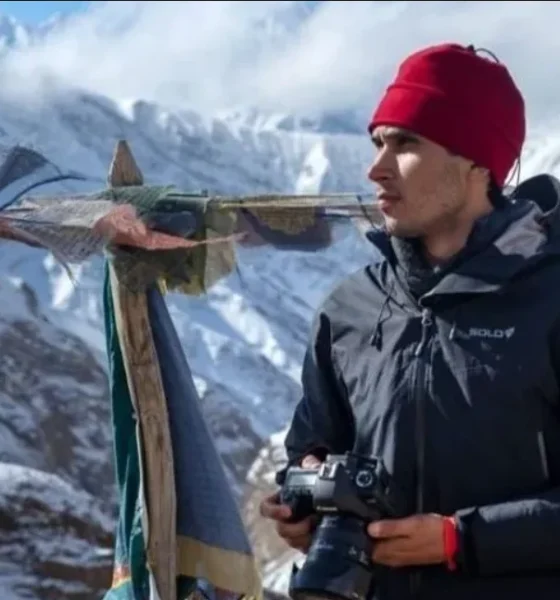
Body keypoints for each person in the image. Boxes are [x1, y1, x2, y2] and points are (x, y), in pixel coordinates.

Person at [259, 42, 560, 599]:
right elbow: (310, 448)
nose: (376, 168)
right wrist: (302, 502)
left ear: (476, 163)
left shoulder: (550, 297)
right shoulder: (349, 308)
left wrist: (461, 539)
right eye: (377, 143)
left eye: (405, 144)